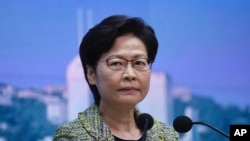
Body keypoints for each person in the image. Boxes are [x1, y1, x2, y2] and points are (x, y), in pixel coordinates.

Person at [53, 15, 180, 141]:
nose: (130, 74)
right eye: (116, 63)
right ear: (91, 74)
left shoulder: (166, 136)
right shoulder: (72, 137)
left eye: (139, 63)